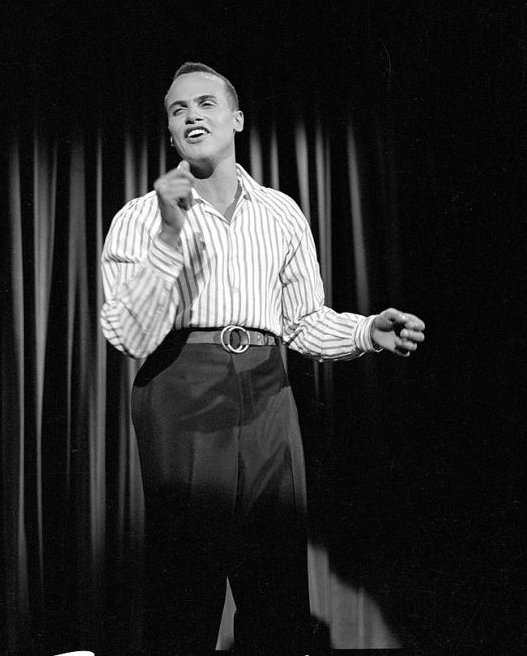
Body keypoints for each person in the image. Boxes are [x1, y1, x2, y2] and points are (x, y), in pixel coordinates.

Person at [99, 62, 425, 655]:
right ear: (171, 134)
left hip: (268, 388)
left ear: (236, 119)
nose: (192, 116)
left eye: (204, 104)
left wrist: (365, 331)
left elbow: (304, 320)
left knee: (276, 583)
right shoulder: (140, 217)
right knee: (187, 583)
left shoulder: (281, 212)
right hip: (181, 384)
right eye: (178, 111)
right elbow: (126, 331)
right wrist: (171, 235)